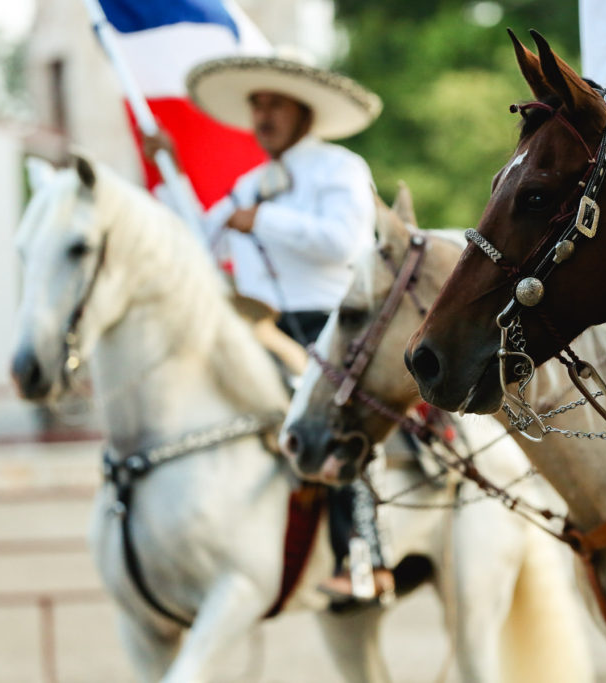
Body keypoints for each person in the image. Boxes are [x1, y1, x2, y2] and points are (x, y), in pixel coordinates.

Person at [145, 50, 394, 603]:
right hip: (261, 329)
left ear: (304, 111)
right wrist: (171, 170)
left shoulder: (339, 168)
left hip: (336, 325)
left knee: (335, 420)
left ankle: (364, 559)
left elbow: (344, 243)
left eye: (274, 104)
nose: (262, 116)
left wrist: (264, 219)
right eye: (256, 105)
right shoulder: (247, 184)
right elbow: (197, 243)